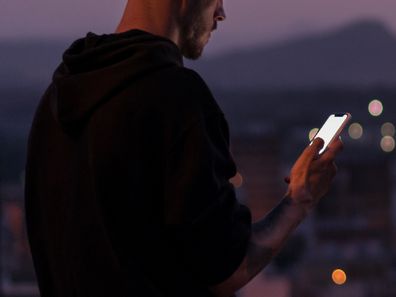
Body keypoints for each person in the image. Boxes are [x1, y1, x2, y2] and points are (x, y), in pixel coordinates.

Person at [24, 0, 343, 297]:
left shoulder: (55, 100)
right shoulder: (177, 100)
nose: (221, 12)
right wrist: (300, 199)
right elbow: (226, 268)